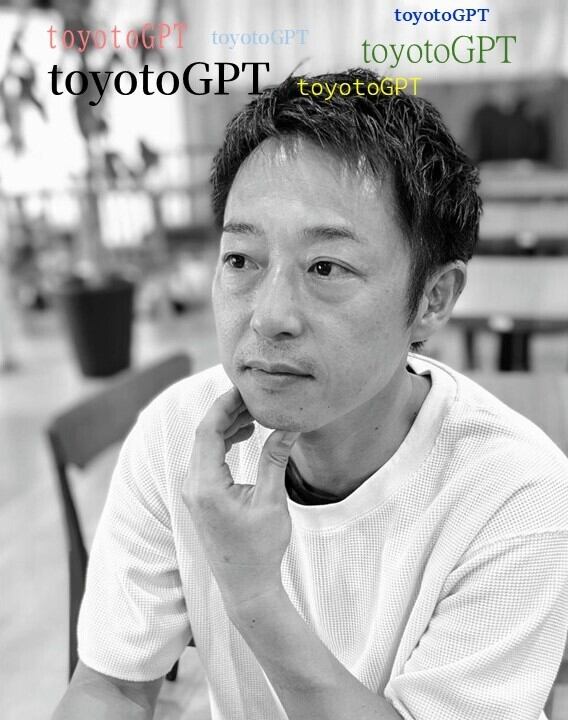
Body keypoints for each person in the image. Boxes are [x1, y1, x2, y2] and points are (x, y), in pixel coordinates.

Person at [52, 68, 568, 720]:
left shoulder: (517, 496)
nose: (269, 317)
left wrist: (253, 595)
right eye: (241, 259)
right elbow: (112, 687)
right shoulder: (178, 438)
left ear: (433, 299)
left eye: (326, 267)